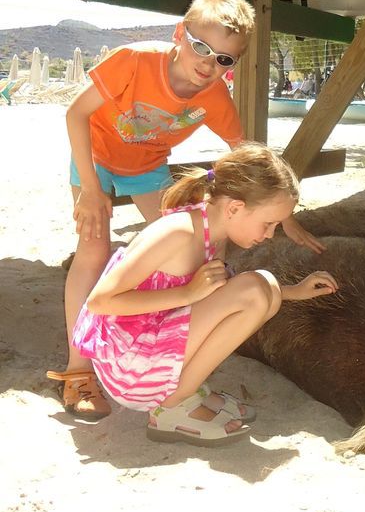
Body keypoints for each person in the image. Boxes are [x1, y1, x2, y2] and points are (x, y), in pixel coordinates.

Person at [47, 0, 325, 422]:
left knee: (187, 248)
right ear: (180, 34)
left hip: (148, 166)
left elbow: (248, 159)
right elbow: (75, 115)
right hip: (95, 157)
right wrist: (89, 189)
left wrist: (284, 218)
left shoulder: (214, 97)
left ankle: (164, 346)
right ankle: (79, 370)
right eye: (201, 47)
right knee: (94, 247)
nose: (208, 64)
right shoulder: (135, 61)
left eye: (224, 59)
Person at [66, 143, 339, 445]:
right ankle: (172, 406)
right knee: (257, 288)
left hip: (150, 349)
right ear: (235, 208)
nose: (270, 234)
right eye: (268, 223)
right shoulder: (177, 233)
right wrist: (186, 293)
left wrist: (293, 292)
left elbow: (222, 294)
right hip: (129, 368)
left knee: (266, 291)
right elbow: (100, 301)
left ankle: (184, 393)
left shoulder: (213, 232)